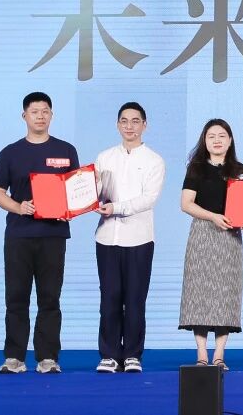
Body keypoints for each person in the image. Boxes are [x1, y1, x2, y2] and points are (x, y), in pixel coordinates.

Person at [0, 91, 79, 374]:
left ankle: (48, 358)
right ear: (24, 116)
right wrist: (19, 207)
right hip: (19, 235)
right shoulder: (10, 153)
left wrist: (74, 206)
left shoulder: (66, 150)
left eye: (45, 111)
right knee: (16, 297)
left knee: (50, 298)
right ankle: (14, 357)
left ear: (52, 115)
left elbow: (77, 191)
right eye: (34, 111)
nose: (40, 116)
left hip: (53, 235)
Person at [92, 101, 165, 374]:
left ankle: (133, 354)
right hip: (107, 237)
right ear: (117, 125)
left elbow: (149, 199)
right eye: (124, 121)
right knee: (109, 297)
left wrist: (116, 208)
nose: (129, 126)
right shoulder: (104, 158)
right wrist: (87, 195)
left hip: (139, 238)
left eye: (135, 121)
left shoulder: (154, 160)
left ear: (145, 125)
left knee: (135, 299)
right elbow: (96, 192)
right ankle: (109, 354)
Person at [178, 119, 243, 370]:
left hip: (230, 237)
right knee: (199, 294)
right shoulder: (196, 168)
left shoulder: (240, 169)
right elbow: (186, 204)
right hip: (203, 234)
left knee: (225, 295)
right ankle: (201, 354)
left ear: (230, 140)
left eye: (222, 135)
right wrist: (212, 217)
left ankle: (219, 355)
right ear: (204, 141)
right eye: (211, 136)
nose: (217, 140)